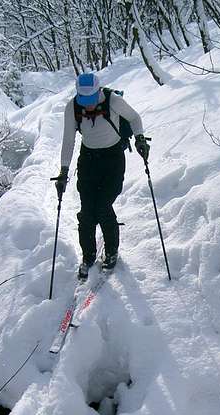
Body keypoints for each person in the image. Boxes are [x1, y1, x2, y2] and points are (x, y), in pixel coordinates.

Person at [55, 72, 150, 279]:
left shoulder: (112, 100)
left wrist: (140, 138)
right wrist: (63, 171)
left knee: (103, 206)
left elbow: (134, 118)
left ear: (98, 91)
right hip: (88, 159)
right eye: (84, 100)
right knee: (87, 210)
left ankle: (112, 250)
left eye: (90, 100)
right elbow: (68, 140)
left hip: (113, 158)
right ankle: (88, 255)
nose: (88, 105)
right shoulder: (72, 108)